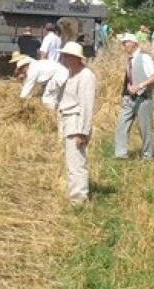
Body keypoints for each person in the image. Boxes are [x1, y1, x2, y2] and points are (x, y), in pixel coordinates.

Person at [54, 41, 97, 205]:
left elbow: (87, 105)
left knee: (77, 163)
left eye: (66, 56)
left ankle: (79, 199)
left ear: (75, 58)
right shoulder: (71, 74)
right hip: (68, 121)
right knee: (71, 162)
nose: (63, 59)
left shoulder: (86, 76)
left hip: (76, 123)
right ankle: (75, 195)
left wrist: (82, 131)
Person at [114, 33, 154, 160]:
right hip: (129, 98)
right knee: (121, 125)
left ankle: (147, 156)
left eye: (125, 43)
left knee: (145, 129)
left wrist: (140, 86)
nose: (123, 46)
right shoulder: (130, 59)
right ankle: (120, 155)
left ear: (133, 43)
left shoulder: (145, 58)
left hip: (143, 98)